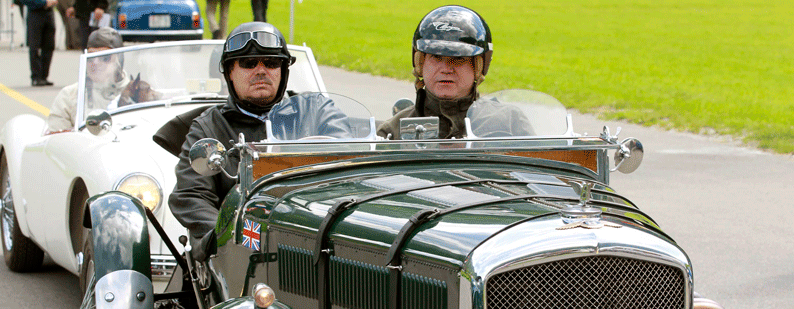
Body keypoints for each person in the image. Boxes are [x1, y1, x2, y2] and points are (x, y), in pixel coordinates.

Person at [168, 22, 352, 260]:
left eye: (271, 63)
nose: (261, 71)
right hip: (241, 253)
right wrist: (232, 237)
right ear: (230, 72)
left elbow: (350, 161)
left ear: (283, 70)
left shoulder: (315, 111)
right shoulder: (209, 127)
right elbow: (192, 196)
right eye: (248, 63)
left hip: (313, 239)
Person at [377, 5, 533, 140]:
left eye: (458, 59)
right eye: (436, 57)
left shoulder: (509, 121)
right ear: (420, 63)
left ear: (477, 67)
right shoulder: (392, 132)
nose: (446, 69)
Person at [47, 27, 127, 132]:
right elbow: (57, 140)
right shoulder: (68, 96)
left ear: (118, 60)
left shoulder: (138, 93)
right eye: (91, 57)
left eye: (105, 57)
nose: (96, 62)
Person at [23, 0, 58, 86]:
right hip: (35, 12)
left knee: (49, 46)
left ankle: (44, 76)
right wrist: (44, 2)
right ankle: (36, 77)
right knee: (34, 47)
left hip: (49, 12)